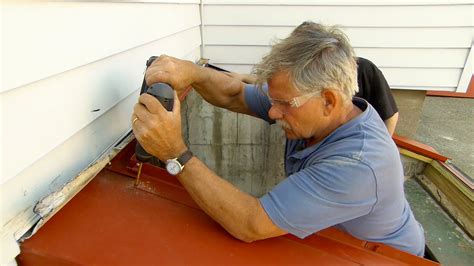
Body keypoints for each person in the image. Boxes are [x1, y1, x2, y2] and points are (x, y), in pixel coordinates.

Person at [131, 22, 425, 256]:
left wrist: (174, 153)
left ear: (329, 101)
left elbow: (250, 223)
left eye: (284, 103)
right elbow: (234, 94)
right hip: (336, 241)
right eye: (273, 99)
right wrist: (192, 72)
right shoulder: (315, 108)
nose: (272, 111)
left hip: (384, 257)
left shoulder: (358, 167)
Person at [227, 57, 399, 135]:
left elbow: (390, 114)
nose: (273, 112)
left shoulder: (365, 70)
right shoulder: (304, 88)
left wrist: (383, 143)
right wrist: (244, 78)